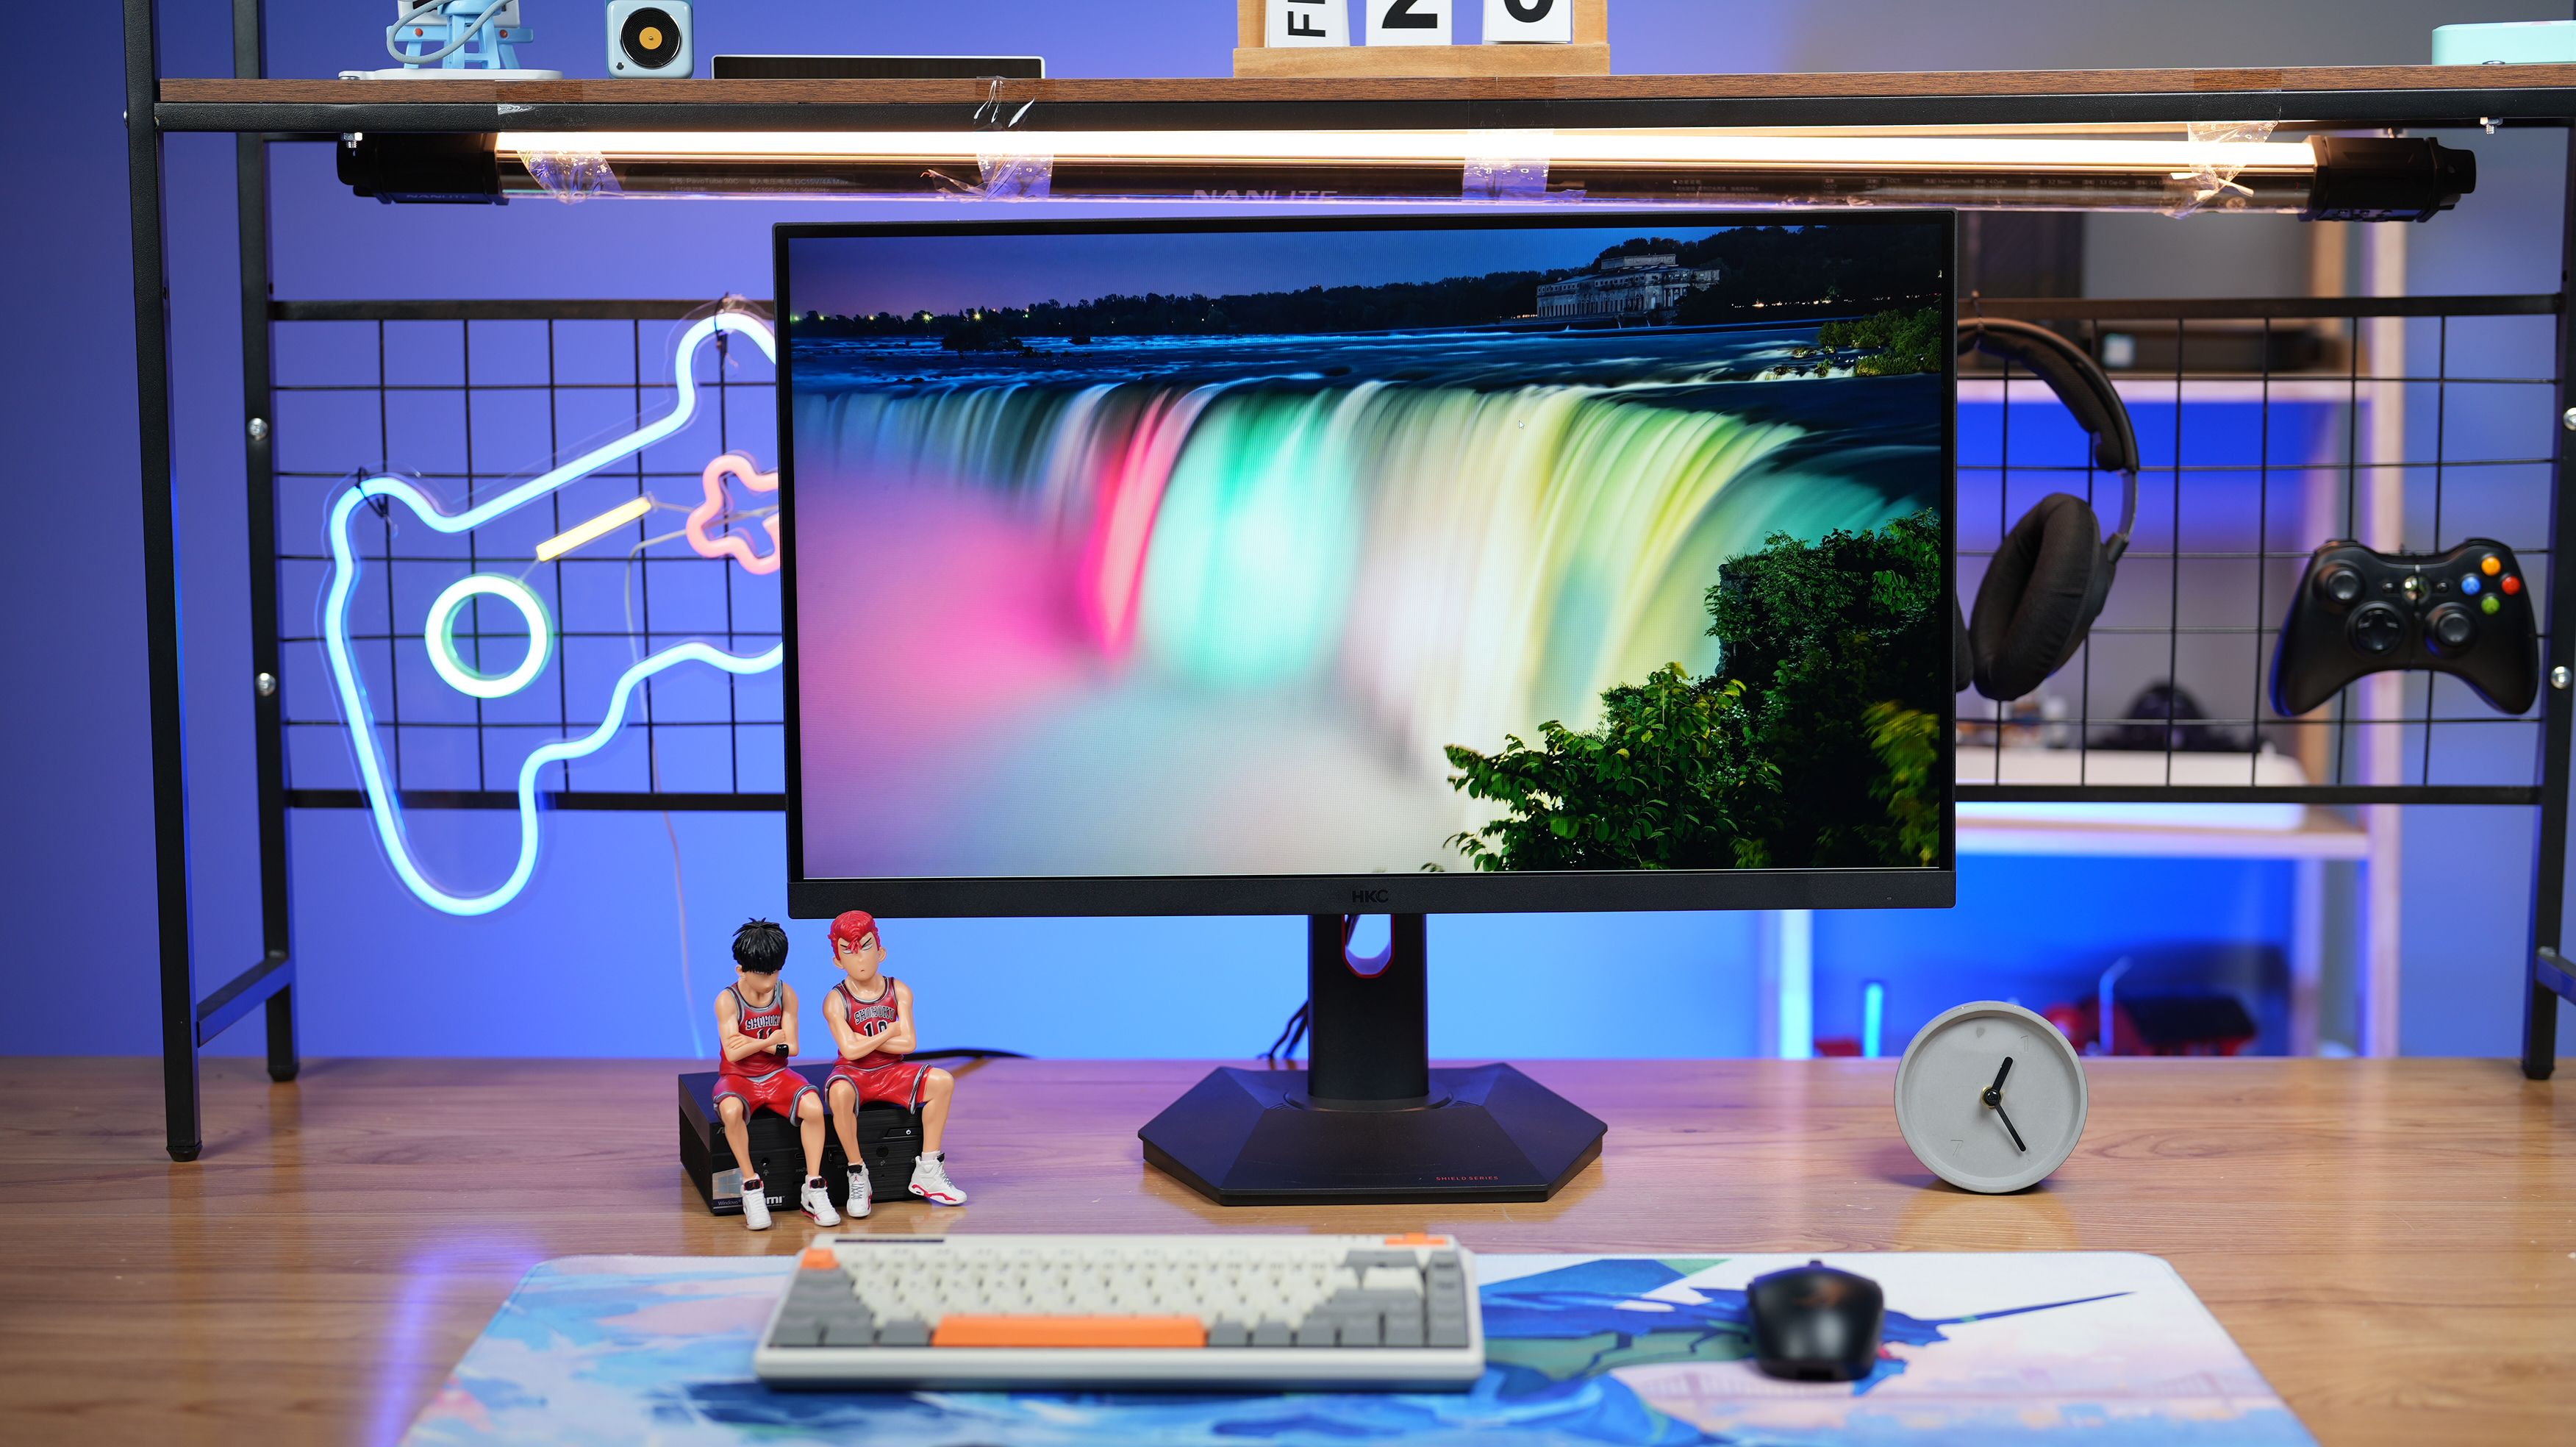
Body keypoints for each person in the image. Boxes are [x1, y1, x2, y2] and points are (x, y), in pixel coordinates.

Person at [822, 910, 966, 1212]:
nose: (860, 958)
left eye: (866, 946)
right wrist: (889, 1031)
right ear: (838, 961)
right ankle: (857, 1172)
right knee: (839, 1093)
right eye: (849, 951)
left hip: (891, 1070)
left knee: (943, 1081)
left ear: (881, 952)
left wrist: (864, 1041)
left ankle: (929, 1169)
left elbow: (909, 1044)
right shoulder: (835, 1000)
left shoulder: (899, 990)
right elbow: (850, 1051)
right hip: (853, 1072)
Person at [712, 918, 837, 1231]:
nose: (769, 981)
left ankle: (814, 1186)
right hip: (738, 1077)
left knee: (813, 1107)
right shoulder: (728, 1000)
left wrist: (754, 1043)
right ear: (741, 970)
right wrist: (770, 1040)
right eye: (761, 973)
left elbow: (792, 1048)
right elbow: (733, 1054)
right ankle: (751, 1185)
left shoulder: (786, 994)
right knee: (731, 1110)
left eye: (774, 972)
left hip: (777, 1076)